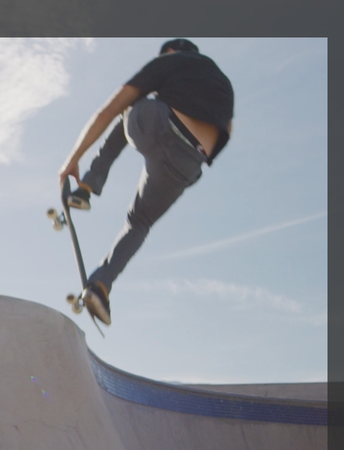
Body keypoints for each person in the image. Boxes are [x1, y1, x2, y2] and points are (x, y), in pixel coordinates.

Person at [58, 38, 234, 325]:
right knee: (140, 222)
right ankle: (101, 286)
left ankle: (87, 186)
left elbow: (108, 110)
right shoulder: (225, 86)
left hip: (157, 125)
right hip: (189, 163)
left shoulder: (169, 61)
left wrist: (72, 159)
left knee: (130, 106)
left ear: (171, 52)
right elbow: (225, 132)